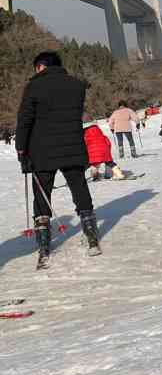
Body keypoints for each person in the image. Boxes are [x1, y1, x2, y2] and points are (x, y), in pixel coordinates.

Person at [15, 51, 101, 268]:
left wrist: (21, 150)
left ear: (40, 67)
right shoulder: (76, 85)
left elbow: (25, 120)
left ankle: (44, 244)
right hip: (72, 146)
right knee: (79, 188)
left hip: (41, 150)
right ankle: (91, 235)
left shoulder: (34, 86)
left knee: (42, 194)